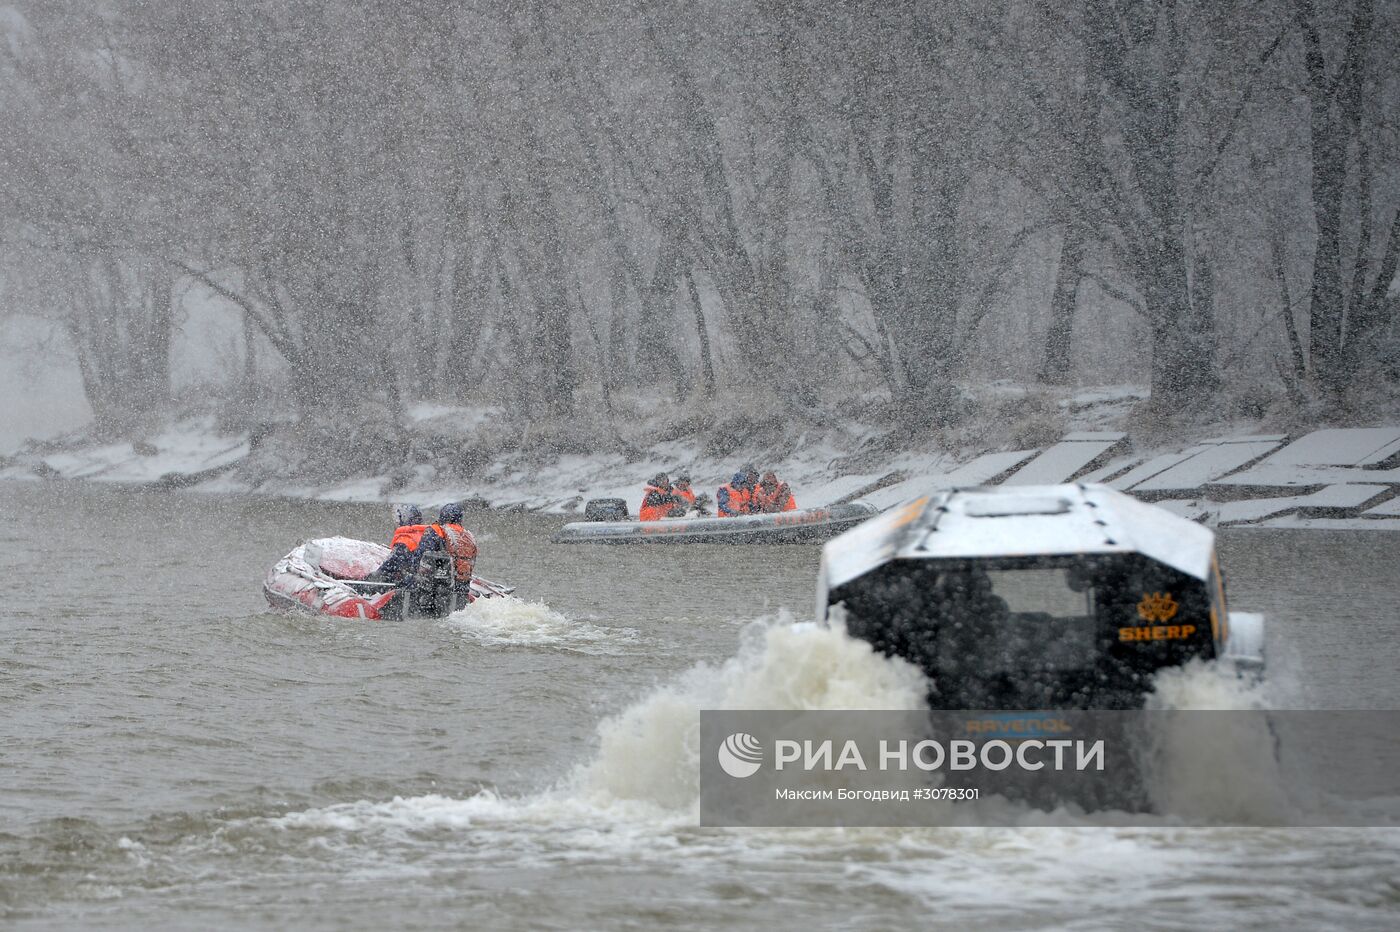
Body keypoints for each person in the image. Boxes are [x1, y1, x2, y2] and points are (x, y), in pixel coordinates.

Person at [412, 502, 480, 608]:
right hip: (461, 589)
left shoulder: (436, 530)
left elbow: (420, 554)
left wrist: (410, 572)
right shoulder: (467, 536)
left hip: (435, 591)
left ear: (442, 516)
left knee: (408, 580)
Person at [370, 503, 428, 583]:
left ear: (404, 520)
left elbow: (390, 564)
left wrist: (372, 577)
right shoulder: (425, 535)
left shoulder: (405, 540)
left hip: (409, 583)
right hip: (421, 581)